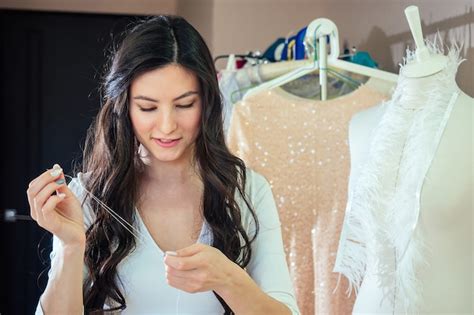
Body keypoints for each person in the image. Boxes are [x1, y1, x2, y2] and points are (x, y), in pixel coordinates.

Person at [27, 15, 299, 314]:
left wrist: (230, 280)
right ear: (124, 107)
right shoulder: (88, 195)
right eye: (148, 107)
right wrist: (70, 246)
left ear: (207, 103)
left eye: (184, 104)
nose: (167, 126)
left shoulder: (247, 190)